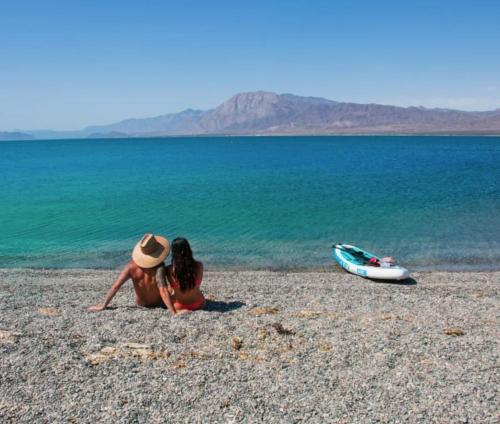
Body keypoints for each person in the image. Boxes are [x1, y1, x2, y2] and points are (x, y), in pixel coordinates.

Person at [88, 233, 184, 315]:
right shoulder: (160, 267)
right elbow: (162, 290)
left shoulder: (131, 266)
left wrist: (103, 305)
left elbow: (116, 286)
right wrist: (174, 312)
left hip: (141, 304)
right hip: (158, 304)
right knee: (171, 288)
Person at [156, 237, 205, 313]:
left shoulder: (169, 270)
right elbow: (197, 285)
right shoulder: (199, 266)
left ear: (174, 252)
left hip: (178, 306)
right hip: (198, 304)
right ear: (188, 249)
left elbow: (166, 289)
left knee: (170, 288)